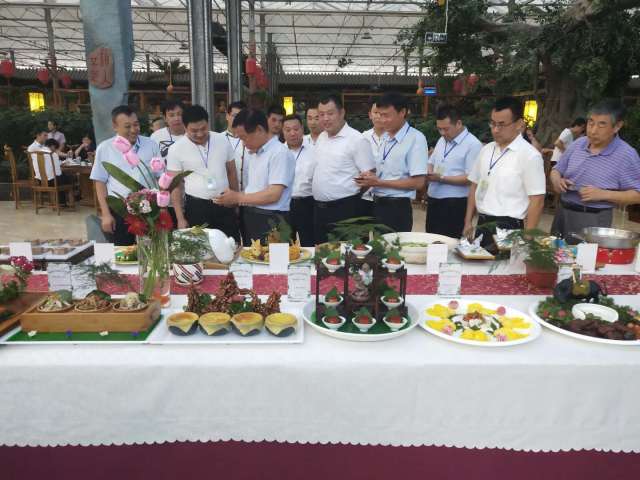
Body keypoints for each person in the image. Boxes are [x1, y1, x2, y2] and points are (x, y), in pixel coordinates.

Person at [550, 100, 640, 242]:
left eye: (601, 125)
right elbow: (556, 170)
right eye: (591, 123)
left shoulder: (626, 154)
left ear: (617, 126)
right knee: (553, 253)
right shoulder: (578, 144)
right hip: (563, 212)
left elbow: (637, 195)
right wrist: (557, 180)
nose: (593, 131)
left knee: (585, 256)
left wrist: (603, 194)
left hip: (594, 218)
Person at [463, 97, 546, 249]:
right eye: (493, 123)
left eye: (501, 125)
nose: (495, 130)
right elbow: (474, 185)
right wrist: (468, 221)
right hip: (483, 222)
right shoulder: (486, 150)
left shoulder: (530, 155)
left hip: (509, 227)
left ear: (519, 124)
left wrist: (527, 238)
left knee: (502, 264)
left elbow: (537, 199)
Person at [214, 109, 295, 242]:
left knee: (270, 255)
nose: (243, 143)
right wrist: (231, 198)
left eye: (244, 137)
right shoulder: (256, 153)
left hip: (272, 219)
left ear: (259, 130)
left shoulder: (279, 153)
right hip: (252, 215)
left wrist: (237, 197)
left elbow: (273, 194)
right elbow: (255, 188)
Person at [354, 92, 427, 233]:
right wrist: (368, 177)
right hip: (376, 204)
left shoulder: (415, 139)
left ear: (402, 112)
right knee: (376, 245)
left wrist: (379, 182)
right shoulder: (386, 137)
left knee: (394, 246)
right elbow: (382, 171)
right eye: (380, 115)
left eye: (387, 115)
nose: (382, 120)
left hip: (397, 208)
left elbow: (418, 182)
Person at [90, 105, 161, 246]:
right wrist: (105, 214)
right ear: (115, 127)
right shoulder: (105, 148)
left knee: (151, 251)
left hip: (149, 210)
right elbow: (100, 182)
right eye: (127, 126)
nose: (134, 130)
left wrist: (162, 208)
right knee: (123, 252)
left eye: (136, 124)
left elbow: (160, 177)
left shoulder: (151, 145)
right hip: (119, 210)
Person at [167, 105, 240, 240]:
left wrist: (236, 200)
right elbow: (175, 186)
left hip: (224, 203)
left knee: (230, 244)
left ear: (208, 123)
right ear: (185, 127)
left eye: (203, 128)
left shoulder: (222, 140)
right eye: (194, 131)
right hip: (197, 207)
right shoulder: (176, 149)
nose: (200, 134)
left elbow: (231, 172)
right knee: (200, 247)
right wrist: (180, 218)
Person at [312, 94, 376, 244]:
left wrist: (351, 197)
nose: (325, 118)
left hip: (346, 210)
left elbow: (370, 176)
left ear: (342, 113)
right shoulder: (321, 137)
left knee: (348, 254)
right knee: (322, 252)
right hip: (320, 210)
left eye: (330, 113)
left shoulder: (357, 140)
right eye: (321, 114)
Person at [426, 104, 482, 239]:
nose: (442, 133)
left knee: (449, 243)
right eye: (439, 129)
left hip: (455, 203)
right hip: (434, 199)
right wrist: (429, 172)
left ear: (458, 123)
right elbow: (431, 162)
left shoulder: (473, 144)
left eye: (446, 129)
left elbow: (471, 178)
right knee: (431, 241)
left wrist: (441, 178)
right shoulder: (442, 140)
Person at [283, 114, 316, 246]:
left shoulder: (315, 151)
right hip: (284, 205)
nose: (292, 133)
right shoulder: (278, 152)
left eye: (296, 129)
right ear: (283, 132)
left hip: (308, 204)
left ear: (302, 129)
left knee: (309, 243)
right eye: (288, 130)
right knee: (284, 245)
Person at [224, 100, 248, 189]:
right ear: (227, 116)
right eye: (234, 116)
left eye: (241, 116)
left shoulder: (250, 140)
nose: (237, 119)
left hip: (247, 193)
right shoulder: (218, 138)